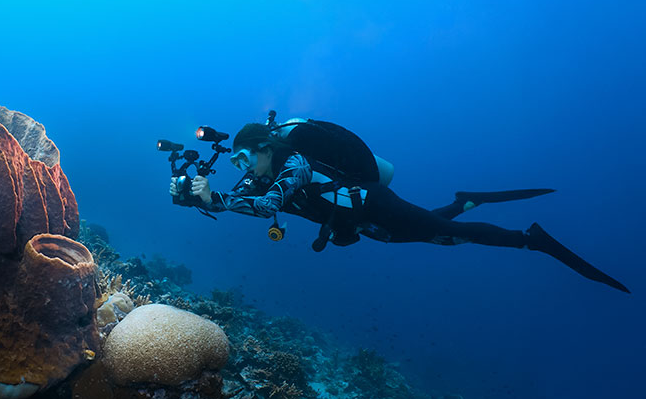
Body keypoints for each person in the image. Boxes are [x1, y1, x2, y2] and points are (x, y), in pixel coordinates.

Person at [169, 120, 630, 293]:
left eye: (246, 158)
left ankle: (530, 240)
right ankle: (466, 200)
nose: (244, 167)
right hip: (363, 222)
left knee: (446, 236)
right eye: (237, 162)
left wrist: (219, 201)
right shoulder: (264, 173)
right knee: (426, 233)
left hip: (373, 205)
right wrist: (198, 200)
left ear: (267, 148)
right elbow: (245, 199)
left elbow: (269, 202)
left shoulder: (296, 165)